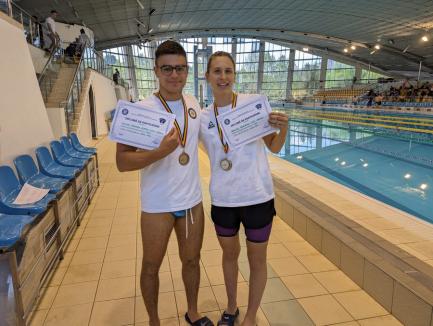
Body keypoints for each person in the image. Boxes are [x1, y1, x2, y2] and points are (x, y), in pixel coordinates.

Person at [116, 40, 213, 326]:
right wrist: (160, 152)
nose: (175, 75)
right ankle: (154, 320)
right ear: (156, 70)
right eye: (168, 68)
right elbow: (122, 162)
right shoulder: (141, 110)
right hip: (158, 204)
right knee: (150, 266)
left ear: (187, 70)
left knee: (192, 261)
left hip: (192, 201)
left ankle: (193, 311)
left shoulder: (193, 103)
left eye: (180, 68)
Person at [199, 51, 289, 326]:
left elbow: (274, 146)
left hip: (257, 196)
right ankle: (231, 307)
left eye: (228, 71)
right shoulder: (203, 118)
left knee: (257, 259)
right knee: (229, 256)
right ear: (208, 77)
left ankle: (250, 315)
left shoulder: (252, 105)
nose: (223, 77)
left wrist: (284, 128)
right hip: (224, 199)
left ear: (234, 75)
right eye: (217, 71)